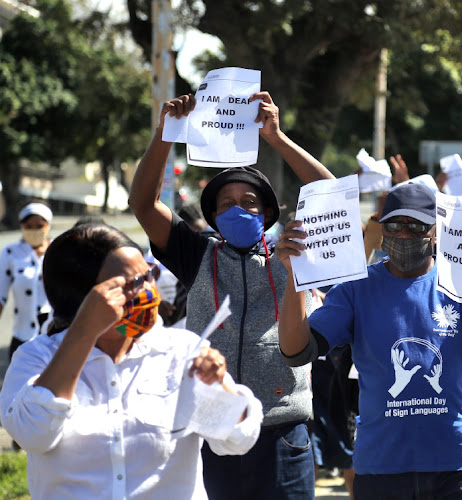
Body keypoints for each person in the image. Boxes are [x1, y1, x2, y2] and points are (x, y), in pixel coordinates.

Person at [275, 182, 462, 499]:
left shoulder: (461, 279)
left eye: (416, 226)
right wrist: (295, 277)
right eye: (395, 225)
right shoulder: (355, 288)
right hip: (381, 468)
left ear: (435, 232)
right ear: (382, 230)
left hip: (456, 466)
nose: (404, 234)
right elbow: (296, 352)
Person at [128, 92, 335, 499]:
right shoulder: (198, 254)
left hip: (282, 434)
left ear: (268, 214)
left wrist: (275, 138)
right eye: (226, 204)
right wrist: (166, 134)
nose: (238, 208)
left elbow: (332, 192)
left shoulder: (297, 252)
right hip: (211, 431)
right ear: (214, 217)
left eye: (249, 202)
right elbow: (143, 203)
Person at [0, 223, 263, 499]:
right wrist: (84, 331)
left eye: (149, 276)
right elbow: (32, 435)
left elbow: (238, 440)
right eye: (131, 285)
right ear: (84, 298)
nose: (148, 292)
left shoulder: (181, 351)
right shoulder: (37, 358)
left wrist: (220, 387)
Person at [0, 202, 54, 360]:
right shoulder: (11, 252)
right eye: (28, 226)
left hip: (52, 337)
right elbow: (0, 295)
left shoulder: (57, 251)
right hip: (22, 335)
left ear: (48, 226)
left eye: (39, 225)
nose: (34, 230)